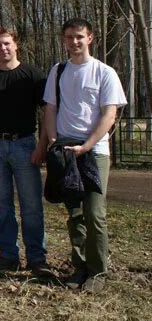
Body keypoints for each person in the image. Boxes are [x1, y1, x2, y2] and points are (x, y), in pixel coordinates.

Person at [43, 18, 126, 293]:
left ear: (90, 38)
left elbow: (109, 115)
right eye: (69, 37)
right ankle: (79, 267)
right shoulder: (58, 71)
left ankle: (98, 271)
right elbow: (51, 109)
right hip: (66, 151)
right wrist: (54, 141)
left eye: (79, 36)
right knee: (75, 213)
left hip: (94, 152)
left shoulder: (104, 72)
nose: (74, 42)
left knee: (94, 213)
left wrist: (88, 145)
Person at [0, 27, 53, 276]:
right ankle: (8, 255)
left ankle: (36, 258)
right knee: (0, 204)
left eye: (7, 43)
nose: (3, 49)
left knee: (31, 204)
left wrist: (42, 146)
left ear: (16, 45)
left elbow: (47, 112)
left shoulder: (33, 76)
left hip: (25, 145)